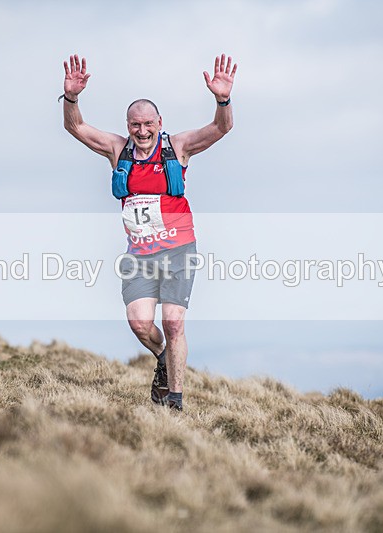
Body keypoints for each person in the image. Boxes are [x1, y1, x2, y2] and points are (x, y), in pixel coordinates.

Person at [61, 53, 237, 411]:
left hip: (178, 250)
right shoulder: (117, 149)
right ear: (127, 125)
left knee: (173, 324)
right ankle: (163, 359)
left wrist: (222, 99)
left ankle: (174, 402)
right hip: (140, 253)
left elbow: (221, 128)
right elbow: (75, 127)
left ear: (159, 122)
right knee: (140, 323)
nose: (141, 132)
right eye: (134, 125)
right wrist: (72, 98)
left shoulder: (178, 147)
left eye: (147, 125)